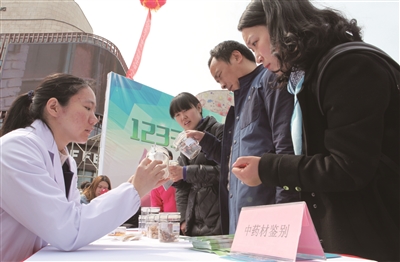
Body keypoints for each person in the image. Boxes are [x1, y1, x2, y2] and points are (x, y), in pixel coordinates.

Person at [231, 1, 399, 261]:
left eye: (255, 43)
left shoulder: (350, 65)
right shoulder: (303, 80)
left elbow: (348, 168)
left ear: (281, 27)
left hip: (375, 239)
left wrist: (267, 169)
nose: (258, 57)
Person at [0, 73, 167, 262]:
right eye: (87, 108)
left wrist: (132, 186)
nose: (94, 120)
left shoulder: (66, 160)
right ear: (54, 107)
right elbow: (67, 230)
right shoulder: (17, 148)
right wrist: (135, 189)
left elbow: (74, 217)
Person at [186, 40, 299, 234]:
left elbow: (285, 148)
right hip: (240, 214)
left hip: (266, 210)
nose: (221, 84)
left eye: (219, 75)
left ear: (236, 57)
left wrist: (284, 210)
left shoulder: (268, 80)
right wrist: (205, 140)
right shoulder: (237, 107)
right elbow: (231, 159)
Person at [169, 92, 223, 236]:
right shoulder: (184, 142)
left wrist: (186, 172)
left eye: (186, 110)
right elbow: (182, 189)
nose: (183, 117)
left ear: (199, 107)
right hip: (194, 222)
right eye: (177, 115)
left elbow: (225, 171)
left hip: (220, 216)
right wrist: (183, 219)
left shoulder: (219, 130)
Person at [150, 147, 177, 212]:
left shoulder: (181, 175)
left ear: (170, 158)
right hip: (167, 221)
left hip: (187, 220)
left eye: (161, 157)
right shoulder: (156, 184)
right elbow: (156, 210)